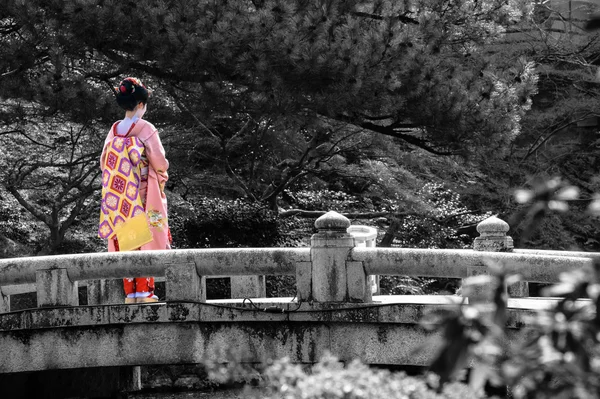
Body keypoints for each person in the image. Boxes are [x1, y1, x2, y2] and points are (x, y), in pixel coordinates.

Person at [98, 77, 171, 303]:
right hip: (143, 193)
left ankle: (131, 293)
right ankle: (145, 292)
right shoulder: (146, 128)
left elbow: (103, 161)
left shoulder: (114, 130)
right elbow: (158, 159)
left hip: (122, 196)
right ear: (140, 104)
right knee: (146, 240)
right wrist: (162, 173)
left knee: (129, 240)